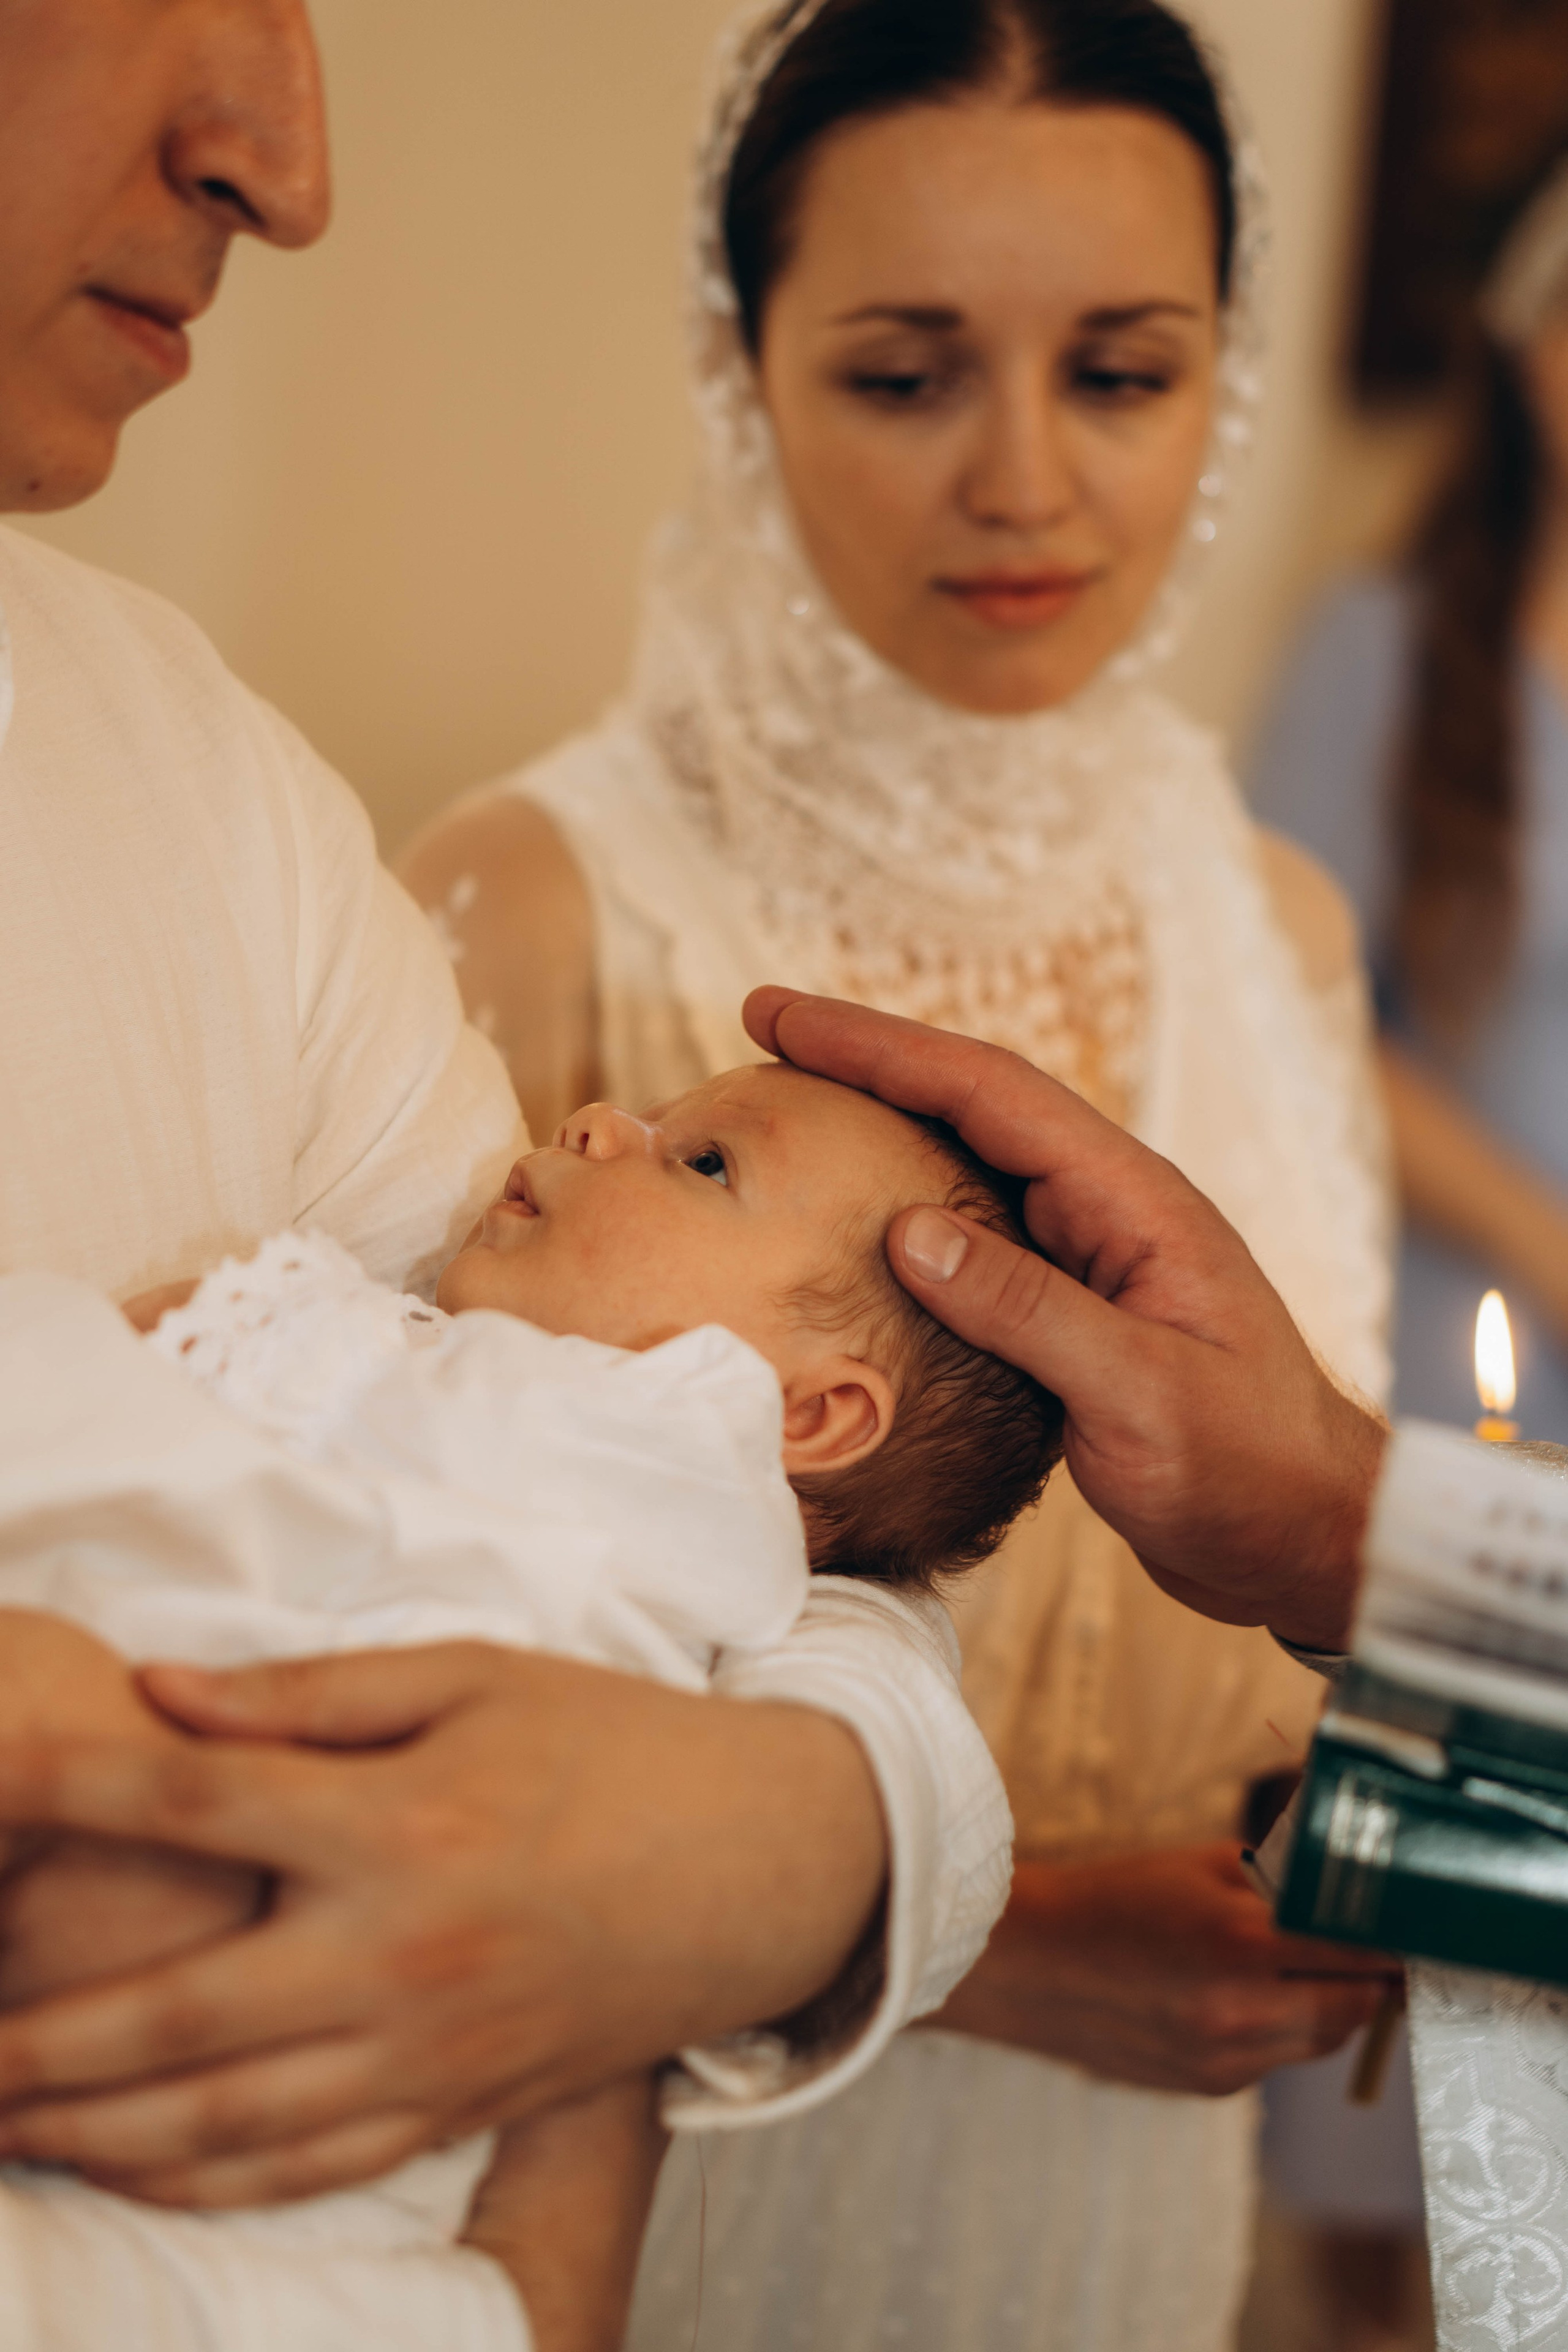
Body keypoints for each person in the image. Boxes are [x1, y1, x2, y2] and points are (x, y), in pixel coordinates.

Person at [399, 2, 1396, 2343]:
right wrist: (995, 1947)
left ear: (1226, 377)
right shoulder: (530, 902)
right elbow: (360, 1620)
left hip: (1126, 2211)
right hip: (698, 2157)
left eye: (1124, 373)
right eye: (906, 374)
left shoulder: (1277, 926)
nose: (1025, 480)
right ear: (743, 370)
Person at [0, 0, 1019, 2243]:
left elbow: (802, 1588)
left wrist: (760, 1846)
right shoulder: (517, 888)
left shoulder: (198, 774)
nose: (292, 170)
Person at [0, 1066, 1065, 2352]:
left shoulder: (678, 1443)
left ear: (807, 1411)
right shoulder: (395, 1341)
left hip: (305, 1882)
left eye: (704, 1164)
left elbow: (881, 1714)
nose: (598, 1125)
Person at [1252, 153, 1568, 1445]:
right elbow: (1288, 1002)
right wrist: (1543, 1243)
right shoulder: (1377, 649)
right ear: (1530, 348)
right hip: (1463, 1323)